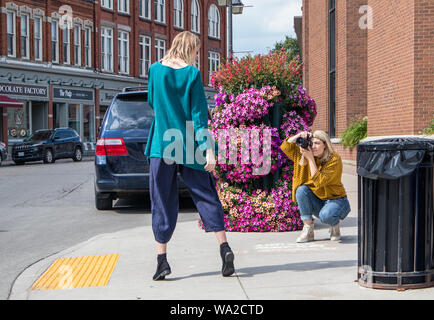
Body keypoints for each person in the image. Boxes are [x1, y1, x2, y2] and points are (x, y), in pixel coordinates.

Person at [144, 31, 235, 280]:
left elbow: (152, 102)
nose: (197, 57)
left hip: (162, 143)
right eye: (196, 52)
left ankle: (162, 261)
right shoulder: (192, 74)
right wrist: (208, 150)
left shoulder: (154, 70)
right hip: (188, 142)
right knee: (205, 194)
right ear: (191, 49)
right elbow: (199, 116)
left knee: (161, 200)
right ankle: (224, 248)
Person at [280, 130, 351, 243]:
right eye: (311, 143)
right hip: (318, 200)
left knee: (326, 216)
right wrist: (298, 136)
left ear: (325, 144)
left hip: (336, 200)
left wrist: (310, 159)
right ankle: (308, 229)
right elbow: (285, 146)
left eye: (317, 143)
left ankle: (334, 224)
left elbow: (319, 182)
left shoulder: (333, 159)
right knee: (301, 190)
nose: (313, 146)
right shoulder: (303, 154)